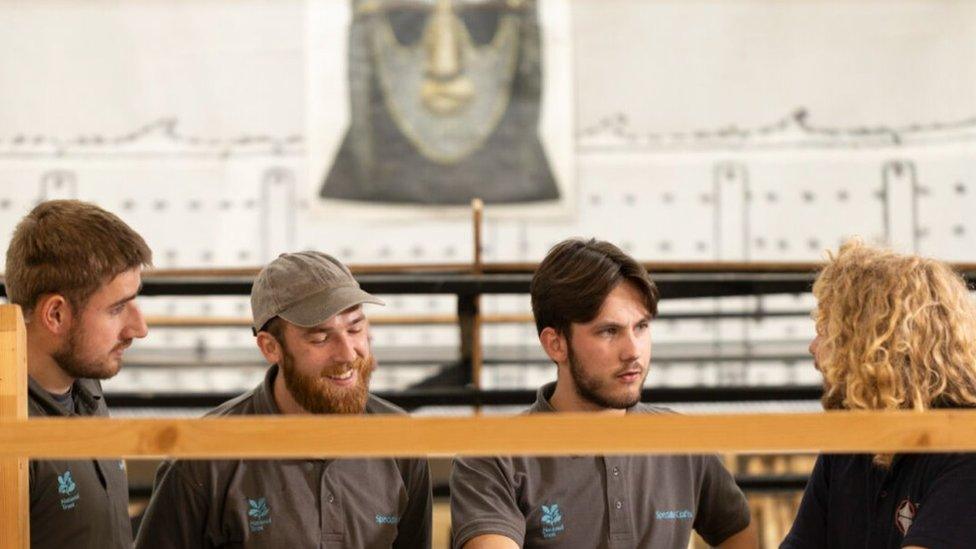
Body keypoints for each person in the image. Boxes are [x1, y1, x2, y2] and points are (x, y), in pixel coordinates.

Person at [450, 238, 757, 548]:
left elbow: (738, 534)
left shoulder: (684, 442)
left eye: (641, 327)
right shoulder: (492, 458)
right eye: (609, 331)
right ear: (555, 344)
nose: (633, 351)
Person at [135, 251, 432, 548]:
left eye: (355, 328)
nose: (348, 353)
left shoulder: (400, 440)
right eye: (320, 338)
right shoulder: (203, 459)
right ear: (270, 348)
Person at [782, 241, 976, 548]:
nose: (813, 347)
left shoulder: (965, 444)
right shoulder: (850, 441)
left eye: (826, 330)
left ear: (870, 343)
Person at [5, 199, 151, 548]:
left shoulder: (82, 381)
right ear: (55, 315)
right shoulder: (10, 428)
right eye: (117, 308)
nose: (139, 328)